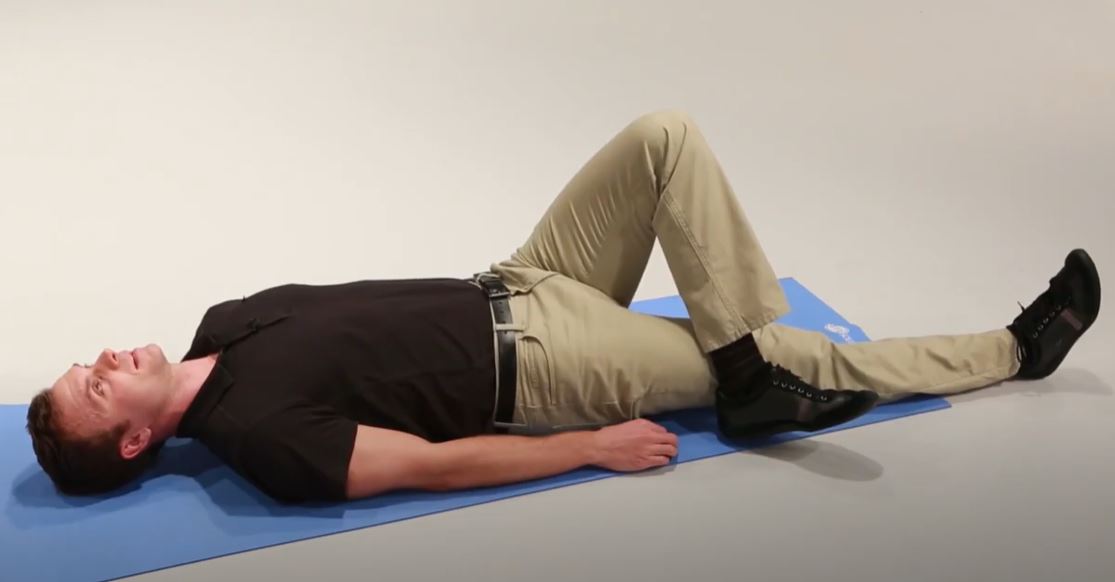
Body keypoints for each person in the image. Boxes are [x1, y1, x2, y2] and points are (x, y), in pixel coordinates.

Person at [26, 111, 1101, 504]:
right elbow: (432, 465)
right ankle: (1014, 349)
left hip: (523, 279)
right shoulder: (260, 442)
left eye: (88, 360)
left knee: (662, 138)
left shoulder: (222, 323)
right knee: (807, 353)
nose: (107, 356)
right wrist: (584, 444)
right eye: (96, 382)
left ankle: (740, 374)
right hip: (547, 368)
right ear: (130, 441)